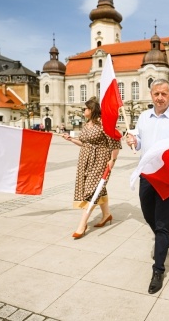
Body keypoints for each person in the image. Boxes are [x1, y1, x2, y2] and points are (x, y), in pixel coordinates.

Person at [126, 79, 169, 294]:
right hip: (146, 174)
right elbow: (139, 143)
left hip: (167, 177)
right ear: (151, 94)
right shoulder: (144, 117)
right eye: (156, 93)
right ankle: (165, 240)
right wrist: (133, 142)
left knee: (162, 224)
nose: (160, 97)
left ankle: (159, 269)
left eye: (164, 93)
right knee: (148, 216)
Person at [63, 97, 121, 238]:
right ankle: (107, 214)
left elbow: (115, 142)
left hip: (100, 159)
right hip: (85, 159)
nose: (84, 110)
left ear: (92, 110)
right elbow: (84, 143)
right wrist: (70, 139)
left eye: (86, 108)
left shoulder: (103, 124)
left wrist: (112, 160)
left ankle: (82, 224)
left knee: (92, 190)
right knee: (99, 187)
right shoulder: (87, 124)